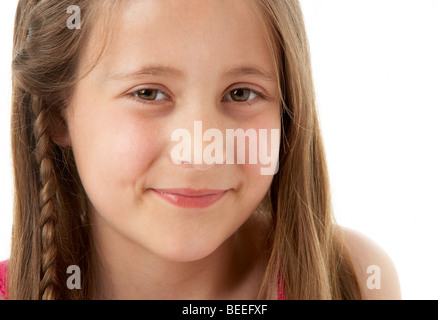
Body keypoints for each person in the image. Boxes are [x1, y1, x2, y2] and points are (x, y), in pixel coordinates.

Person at [0, 0, 401, 300]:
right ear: (56, 112)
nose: (200, 150)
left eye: (241, 93)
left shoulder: (353, 277)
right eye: (149, 93)